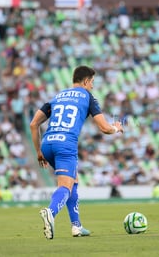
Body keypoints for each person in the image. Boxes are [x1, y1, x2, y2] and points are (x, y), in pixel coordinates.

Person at [30, 65, 124, 239]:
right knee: (65, 185)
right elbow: (104, 128)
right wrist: (116, 128)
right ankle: (50, 212)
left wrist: (38, 151)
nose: (93, 86)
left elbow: (33, 124)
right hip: (65, 145)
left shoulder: (57, 97)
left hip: (47, 144)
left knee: (73, 180)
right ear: (87, 81)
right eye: (92, 82)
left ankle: (76, 226)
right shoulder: (88, 97)